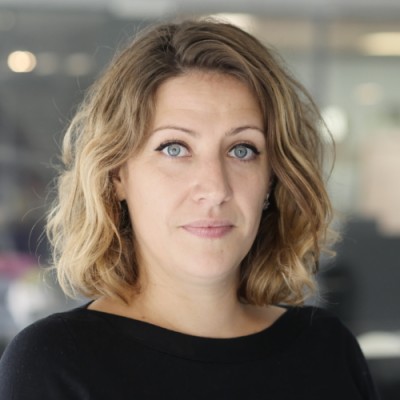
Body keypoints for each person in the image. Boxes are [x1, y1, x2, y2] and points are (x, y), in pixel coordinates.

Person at [0, 18, 379, 399]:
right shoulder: (55, 361)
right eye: (175, 148)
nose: (215, 189)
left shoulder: (328, 351)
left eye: (242, 150)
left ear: (272, 179)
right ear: (117, 175)